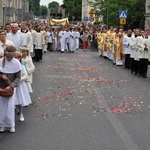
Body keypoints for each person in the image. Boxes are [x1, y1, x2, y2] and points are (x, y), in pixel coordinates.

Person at [0, 46, 22, 133]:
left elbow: (18, 77)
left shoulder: (16, 63)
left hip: (11, 88)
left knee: (10, 106)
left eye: (11, 57)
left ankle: (11, 125)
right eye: (8, 57)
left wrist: (11, 86)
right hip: (1, 87)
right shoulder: (1, 61)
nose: (9, 59)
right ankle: (2, 124)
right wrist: (1, 76)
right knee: (2, 106)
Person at [15, 52, 32, 121]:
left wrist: (20, 79)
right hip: (13, 85)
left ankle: (21, 113)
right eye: (15, 58)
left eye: (18, 58)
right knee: (14, 99)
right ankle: (16, 110)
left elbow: (25, 75)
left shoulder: (21, 66)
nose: (17, 59)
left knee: (21, 99)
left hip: (20, 85)